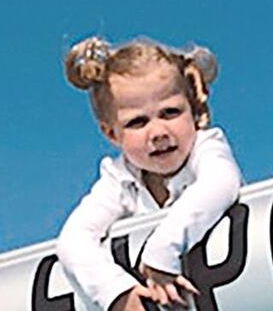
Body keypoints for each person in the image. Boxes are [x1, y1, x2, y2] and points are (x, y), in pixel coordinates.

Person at [56, 37, 243, 311]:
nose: (158, 133)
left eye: (170, 112)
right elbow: (74, 238)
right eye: (137, 122)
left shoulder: (207, 146)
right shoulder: (119, 179)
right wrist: (117, 291)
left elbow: (222, 183)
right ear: (111, 133)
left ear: (192, 109)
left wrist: (162, 251)